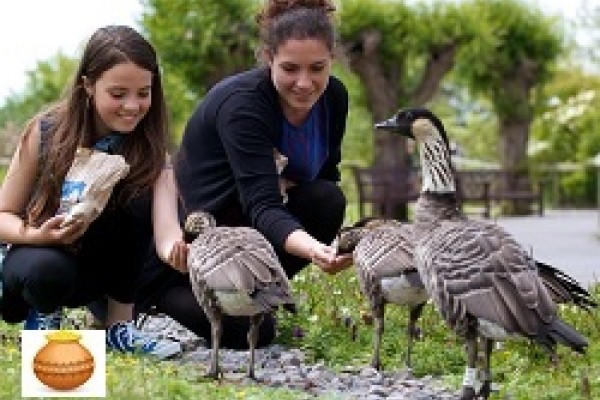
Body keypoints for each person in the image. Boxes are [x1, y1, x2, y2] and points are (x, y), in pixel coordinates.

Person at [134, 0, 354, 350]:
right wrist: (315, 250)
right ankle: (162, 295)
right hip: (196, 243)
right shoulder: (243, 104)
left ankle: (254, 291)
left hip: (249, 240)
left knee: (326, 199)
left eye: (317, 68)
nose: (305, 82)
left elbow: (325, 176)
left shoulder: (334, 99)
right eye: (290, 68)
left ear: (332, 60)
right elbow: (262, 206)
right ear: (268, 58)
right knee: (255, 335)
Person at [0, 25, 181, 359]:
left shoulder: (151, 153)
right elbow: (2, 215)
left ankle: (118, 328)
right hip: (35, 262)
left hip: (95, 274)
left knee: (136, 199)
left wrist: (180, 252)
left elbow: (167, 228)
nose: (132, 106)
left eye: (143, 93)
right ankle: (44, 323)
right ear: (87, 85)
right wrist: (40, 236)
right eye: (118, 93)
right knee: (46, 271)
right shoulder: (46, 132)